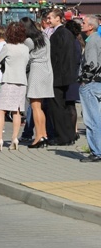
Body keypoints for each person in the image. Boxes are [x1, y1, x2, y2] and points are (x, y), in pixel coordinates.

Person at [0, 22, 30, 151]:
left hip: (8, 80)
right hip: (22, 81)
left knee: (1, 110)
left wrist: (2, 66)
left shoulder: (7, 47)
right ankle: (14, 138)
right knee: (17, 111)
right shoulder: (25, 48)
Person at [19, 17, 54, 148]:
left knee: (35, 107)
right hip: (47, 70)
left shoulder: (29, 41)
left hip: (36, 71)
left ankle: (39, 136)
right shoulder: (44, 36)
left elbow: (25, 57)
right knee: (41, 106)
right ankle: (43, 134)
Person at [46, 8, 78, 145]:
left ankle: (62, 137)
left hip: (58, 76)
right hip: (68, 75)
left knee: (57, 108)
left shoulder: (56, 35)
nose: (48, 21)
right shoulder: (68, 34)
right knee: (66, 107)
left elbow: (54, 58)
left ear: (58, 18)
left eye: (50, 18)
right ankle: (70, 135)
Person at [78, 15, 101, 162]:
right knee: (96, 117)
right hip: (96, 83)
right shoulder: (96, 39)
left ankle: (96, 151)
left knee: (91, 119)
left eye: (84, 23)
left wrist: (84, 80)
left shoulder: (92, 41)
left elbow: (92, 63)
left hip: (90, 84)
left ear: (91, 27)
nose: (81, 25)